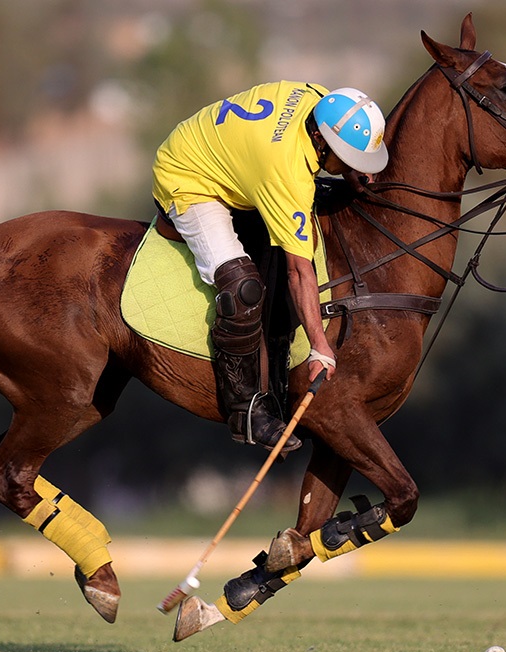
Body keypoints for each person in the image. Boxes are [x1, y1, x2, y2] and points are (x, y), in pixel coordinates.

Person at [152, 81, 388, 453]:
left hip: (234, 153)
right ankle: (245, 410)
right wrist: (320, 347)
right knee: (241, 287)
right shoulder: (287, 172)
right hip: (188, 176)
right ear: (320, 140)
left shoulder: (320, 100)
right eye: (348, 159)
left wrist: (348, 169)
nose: (357, 170)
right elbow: (299, 270)